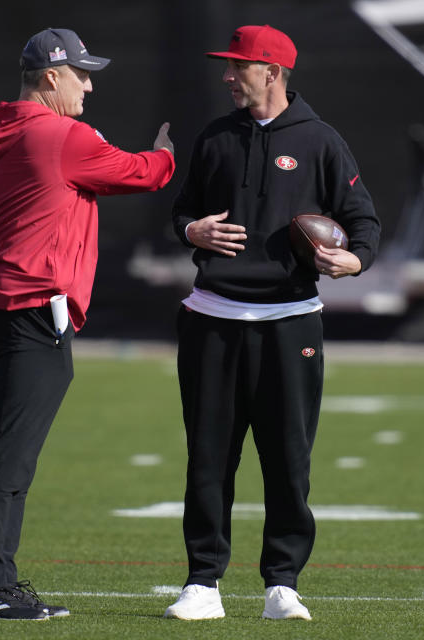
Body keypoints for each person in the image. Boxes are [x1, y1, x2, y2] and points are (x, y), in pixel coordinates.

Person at [162, 24, 381, 621]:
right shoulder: (214, 138)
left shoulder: (321, 141)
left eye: (238, 67)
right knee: (209, 455)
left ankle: (281, 583)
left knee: (289, 458)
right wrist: (191, 231)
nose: (227, 76)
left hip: (291, 322)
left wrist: (353, 259)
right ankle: (202, 583)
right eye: (227, 66)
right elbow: (179, 212)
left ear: (272, 72)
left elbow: (363, 222)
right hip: (212, 319)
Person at [0, 27, 175, 621]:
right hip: (34, 305)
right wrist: (167, 150)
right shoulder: (59, 134)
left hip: (5, 295)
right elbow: (144, 173)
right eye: (81, 73)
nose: (89, 84)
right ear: (49, 77)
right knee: (11, 455)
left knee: (7, 449)